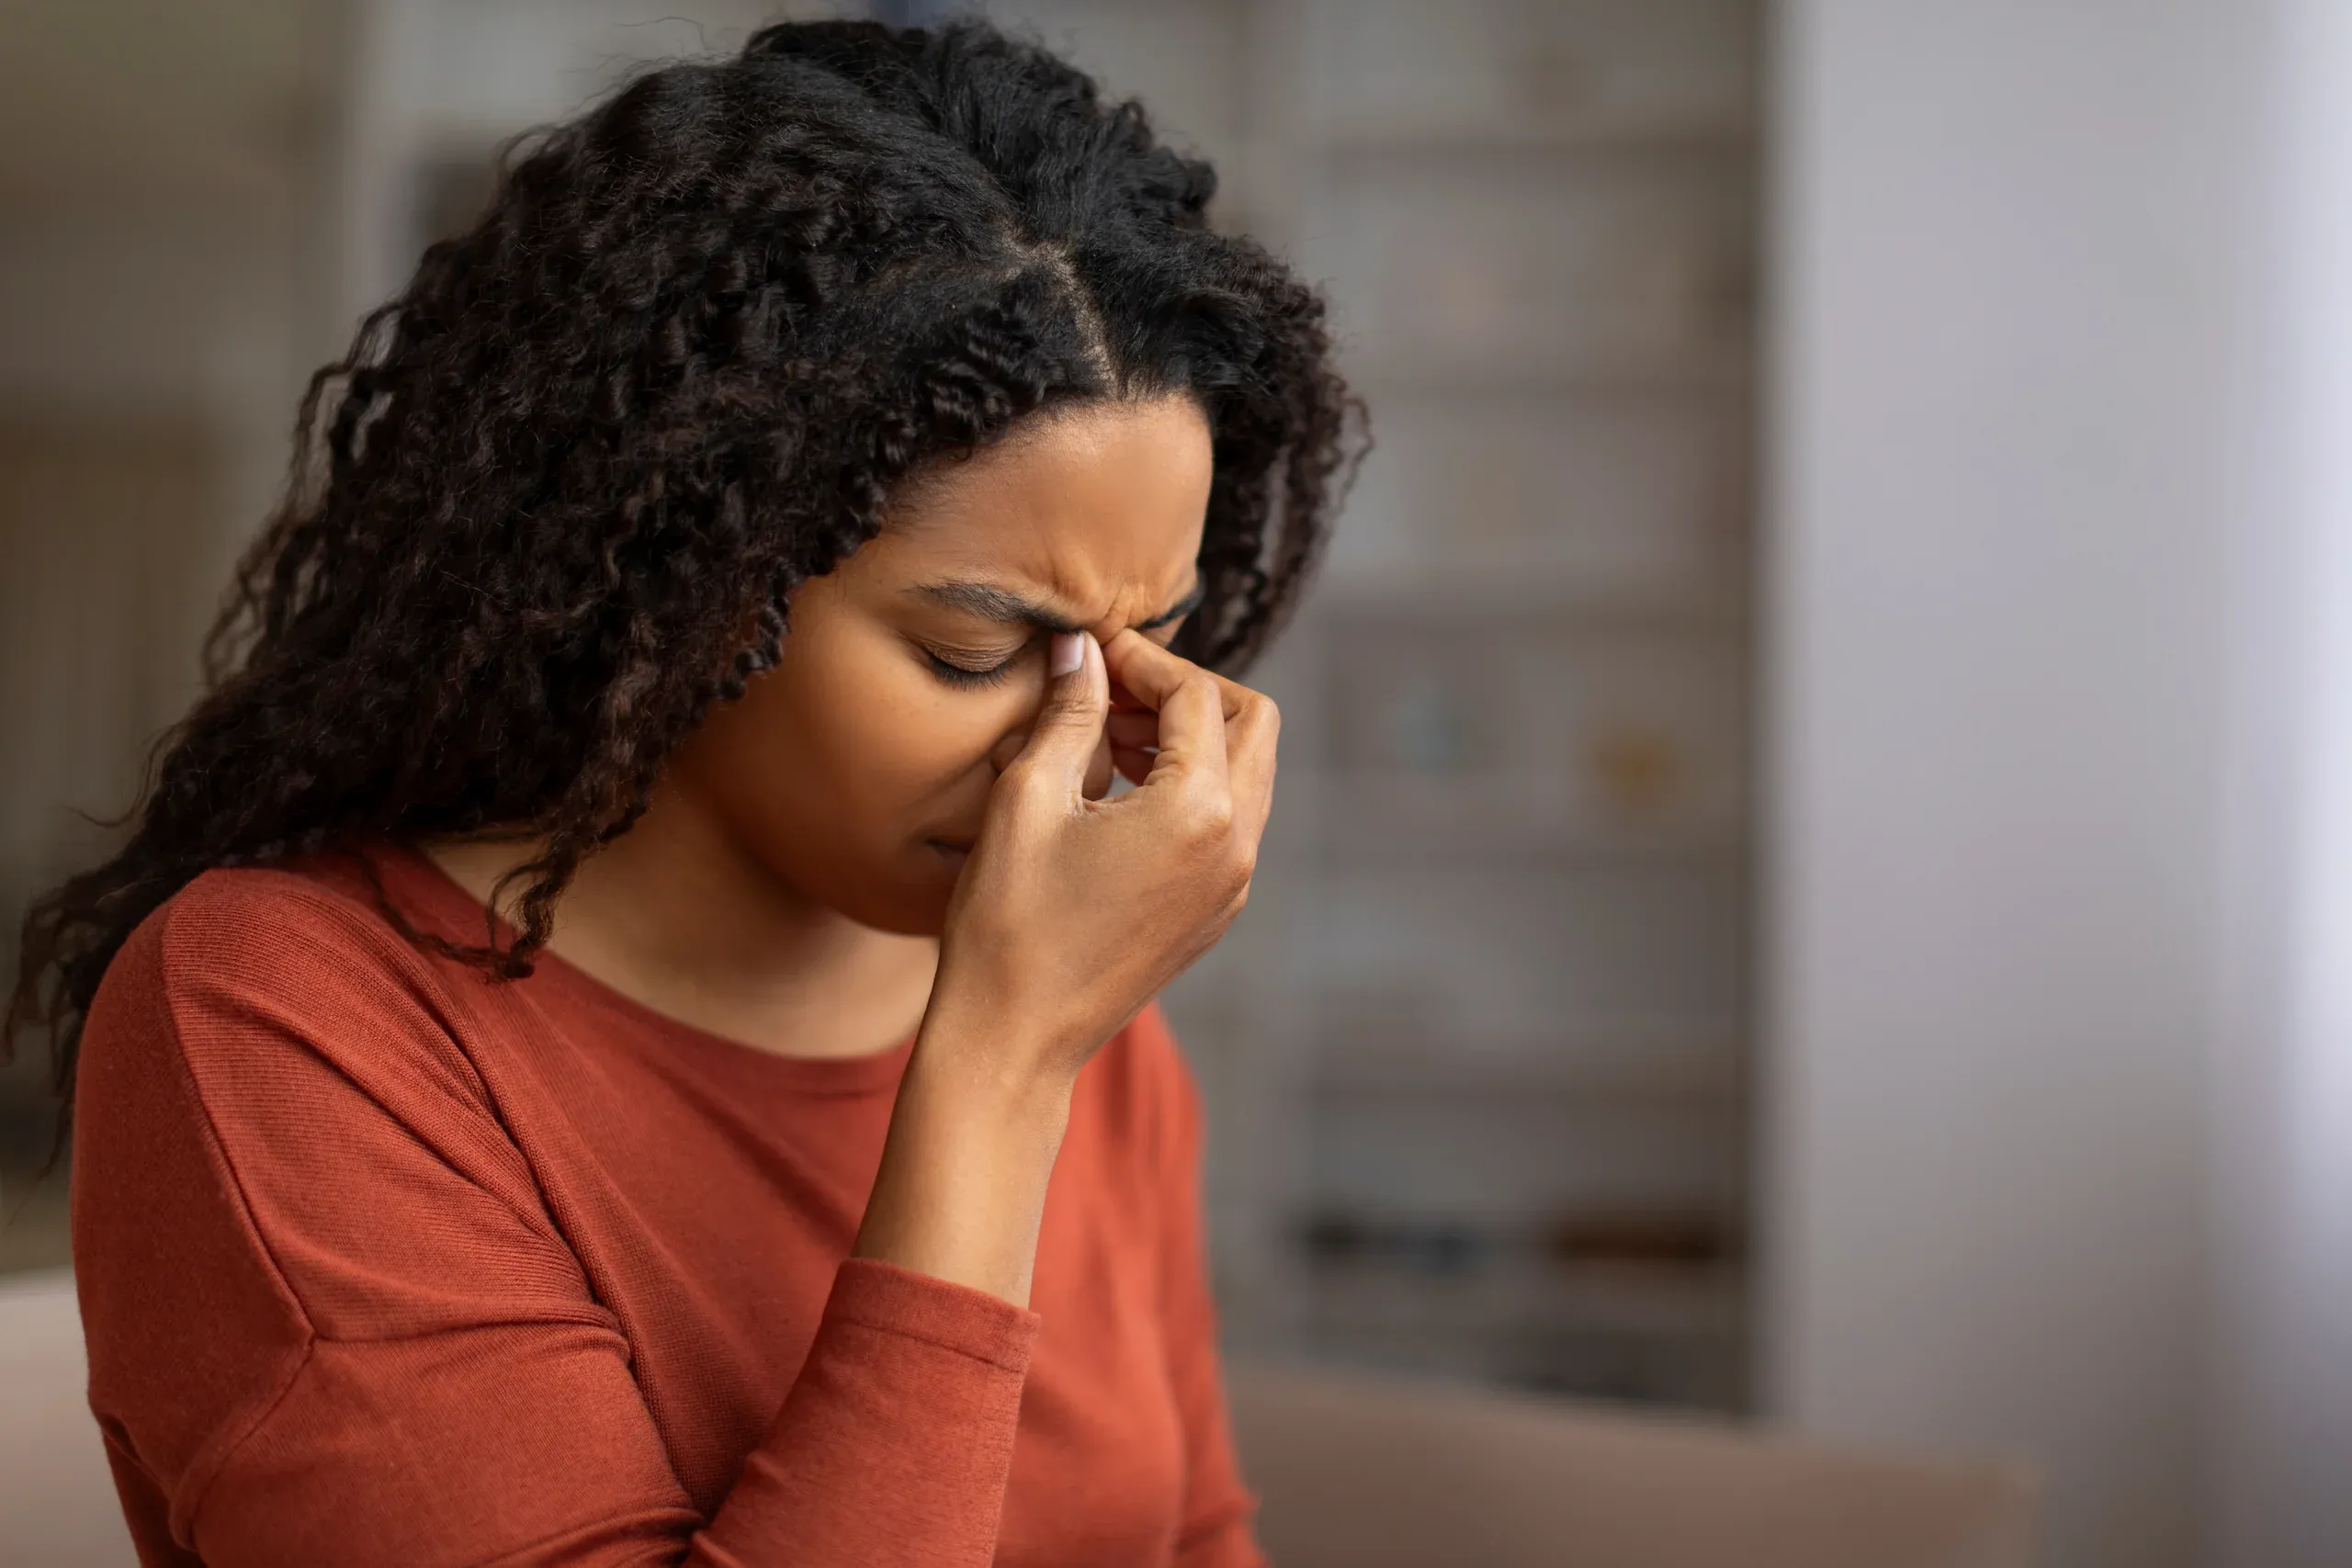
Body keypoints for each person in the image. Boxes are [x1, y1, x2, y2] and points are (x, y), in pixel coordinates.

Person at [6, 18, 1360, 1566]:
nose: (1093, 745)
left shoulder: (1074, 989)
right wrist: (996, 1071)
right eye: (976, 647)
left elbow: (1189, 1538)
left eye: (1153, 642)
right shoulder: (285, 1023)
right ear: (684, 583)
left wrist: (1032, 1034)